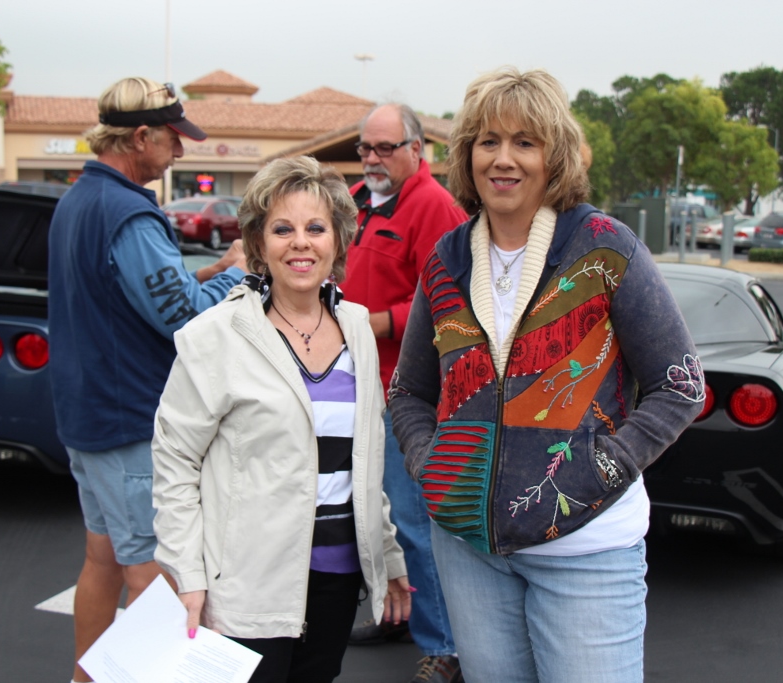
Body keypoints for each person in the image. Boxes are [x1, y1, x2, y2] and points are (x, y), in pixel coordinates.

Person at [389, 67, 705, 682]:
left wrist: (602, 466)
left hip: (586, 547)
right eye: (487, 141)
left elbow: (680, 384)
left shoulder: (603, 247)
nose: (503, 160)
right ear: (467, 154)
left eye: (524, 142)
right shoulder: (447, 260)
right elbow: (409, 392)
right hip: (470, 550)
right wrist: (435, 466)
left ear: (553, 154)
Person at [151, 155, 412, 683]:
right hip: (248, 584)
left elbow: (363, 464)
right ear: (258, 242)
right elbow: (174, 461)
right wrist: (188, 573)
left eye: (316, 228)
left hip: (339, 579)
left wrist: (388, 556)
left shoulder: (358, 327)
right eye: (282, 228)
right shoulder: (216, 335)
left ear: (337, 240)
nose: (301, 242)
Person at [47, 76, 247, 683]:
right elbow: (181, 315)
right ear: (140, 137)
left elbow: (122, 293)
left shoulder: (78, 199)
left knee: (101, 561)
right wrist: (235, 273)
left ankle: (85, 679)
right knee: (155, 579)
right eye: (174, 139)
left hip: (85, 419)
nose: (181, 152)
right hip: (130, 422)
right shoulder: (130, 212)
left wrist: (205, 270)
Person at [344, 103, 467, 683]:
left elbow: (452, 306)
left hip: (407, 395)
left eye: (384, 148)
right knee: (376, 517)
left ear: (418, 150)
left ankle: (445, 646)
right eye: (366, 147)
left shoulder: (434, 207)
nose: (371, 159)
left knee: (415, 520)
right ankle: (400, 609)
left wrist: (380, 323)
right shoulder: (359, 202)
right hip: (356, 385)